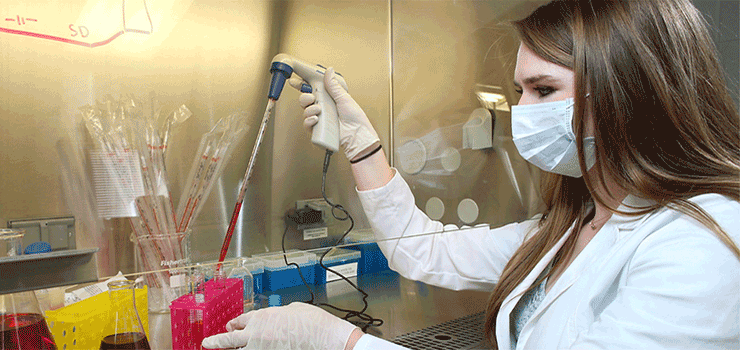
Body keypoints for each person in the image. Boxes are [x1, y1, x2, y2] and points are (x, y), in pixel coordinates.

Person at [202, 0, 740, 348]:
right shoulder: (571, 227)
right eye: (520, 92)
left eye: (544, 90)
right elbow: (422, 250)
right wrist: (364, 149)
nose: (522, 111)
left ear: (630, 92)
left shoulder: (703, 242)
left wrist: (341, 343)